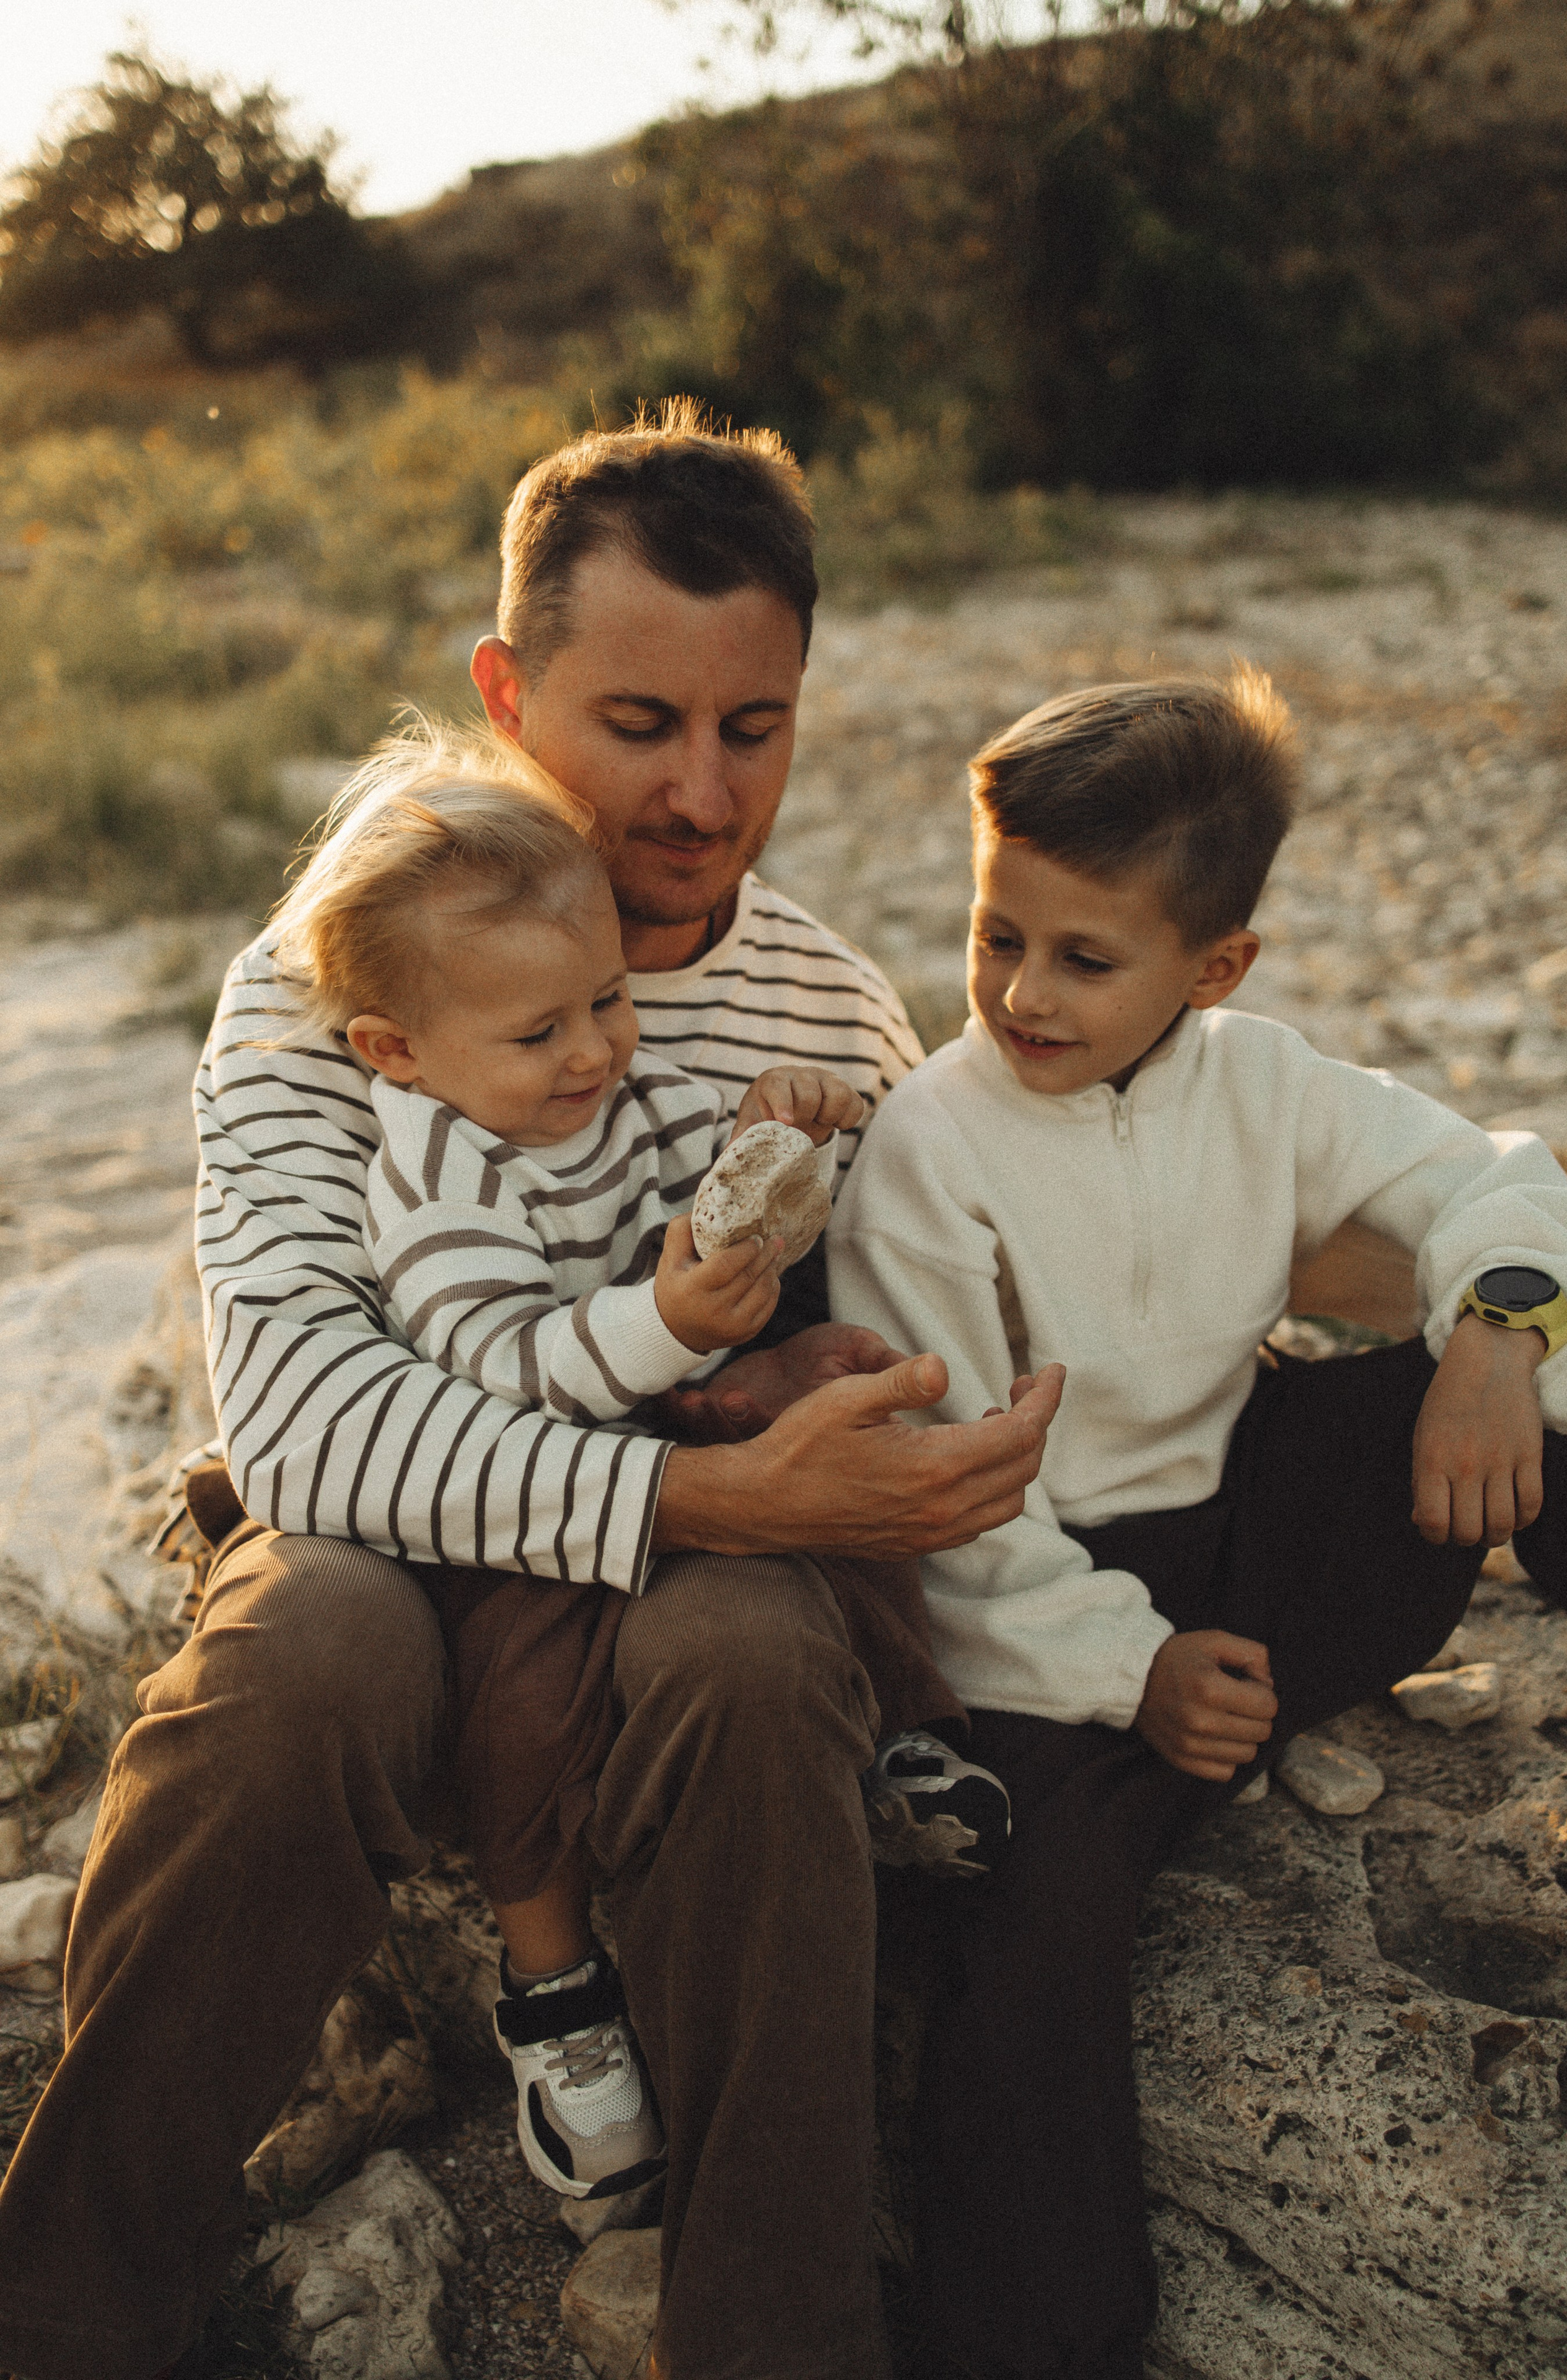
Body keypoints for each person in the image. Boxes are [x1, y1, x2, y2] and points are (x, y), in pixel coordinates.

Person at [0, 407, 1061, 2380]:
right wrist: (698, 1499)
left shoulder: (833, 1006)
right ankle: (62, 2307)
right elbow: (312, 1428)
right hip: (393, 1545)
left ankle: (778, 2334)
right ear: (508, 688)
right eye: (638, 721)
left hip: (696, 1571)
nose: (697, 791)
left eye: (754, 730)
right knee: (296, 1649)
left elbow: (915, 1310)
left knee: (754, 1666)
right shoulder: (338, 972)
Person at [826, 663, 1567, 2380]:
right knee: (1035, 1933)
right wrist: (1138, 1671)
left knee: (1538, 1366)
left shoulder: (1266, 1081)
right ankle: (1045, 2346)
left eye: (1085, 959)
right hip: (1045, 1613)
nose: (1020, 991)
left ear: (1215, 968)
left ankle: (1242, 1693)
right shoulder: (929, 1158)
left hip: (1258, 1534)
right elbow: (939, 1509)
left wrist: (1488, 1336)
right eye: (994, 934)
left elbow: (1503, 1175)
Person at [269, 717, 998, 2203]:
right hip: (512, 1505)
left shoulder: (616, 1086)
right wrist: (669, 1322)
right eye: (540, 1035)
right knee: (520, 1716)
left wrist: (767, 1141)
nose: (595, 1050)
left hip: (660, 1415)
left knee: (835, 1476)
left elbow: (695, 1180)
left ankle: (904, 1735)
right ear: (397, 1053)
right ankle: (553, 1993)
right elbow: (501, 1364)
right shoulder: (435, 1169)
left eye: (608, 1001)